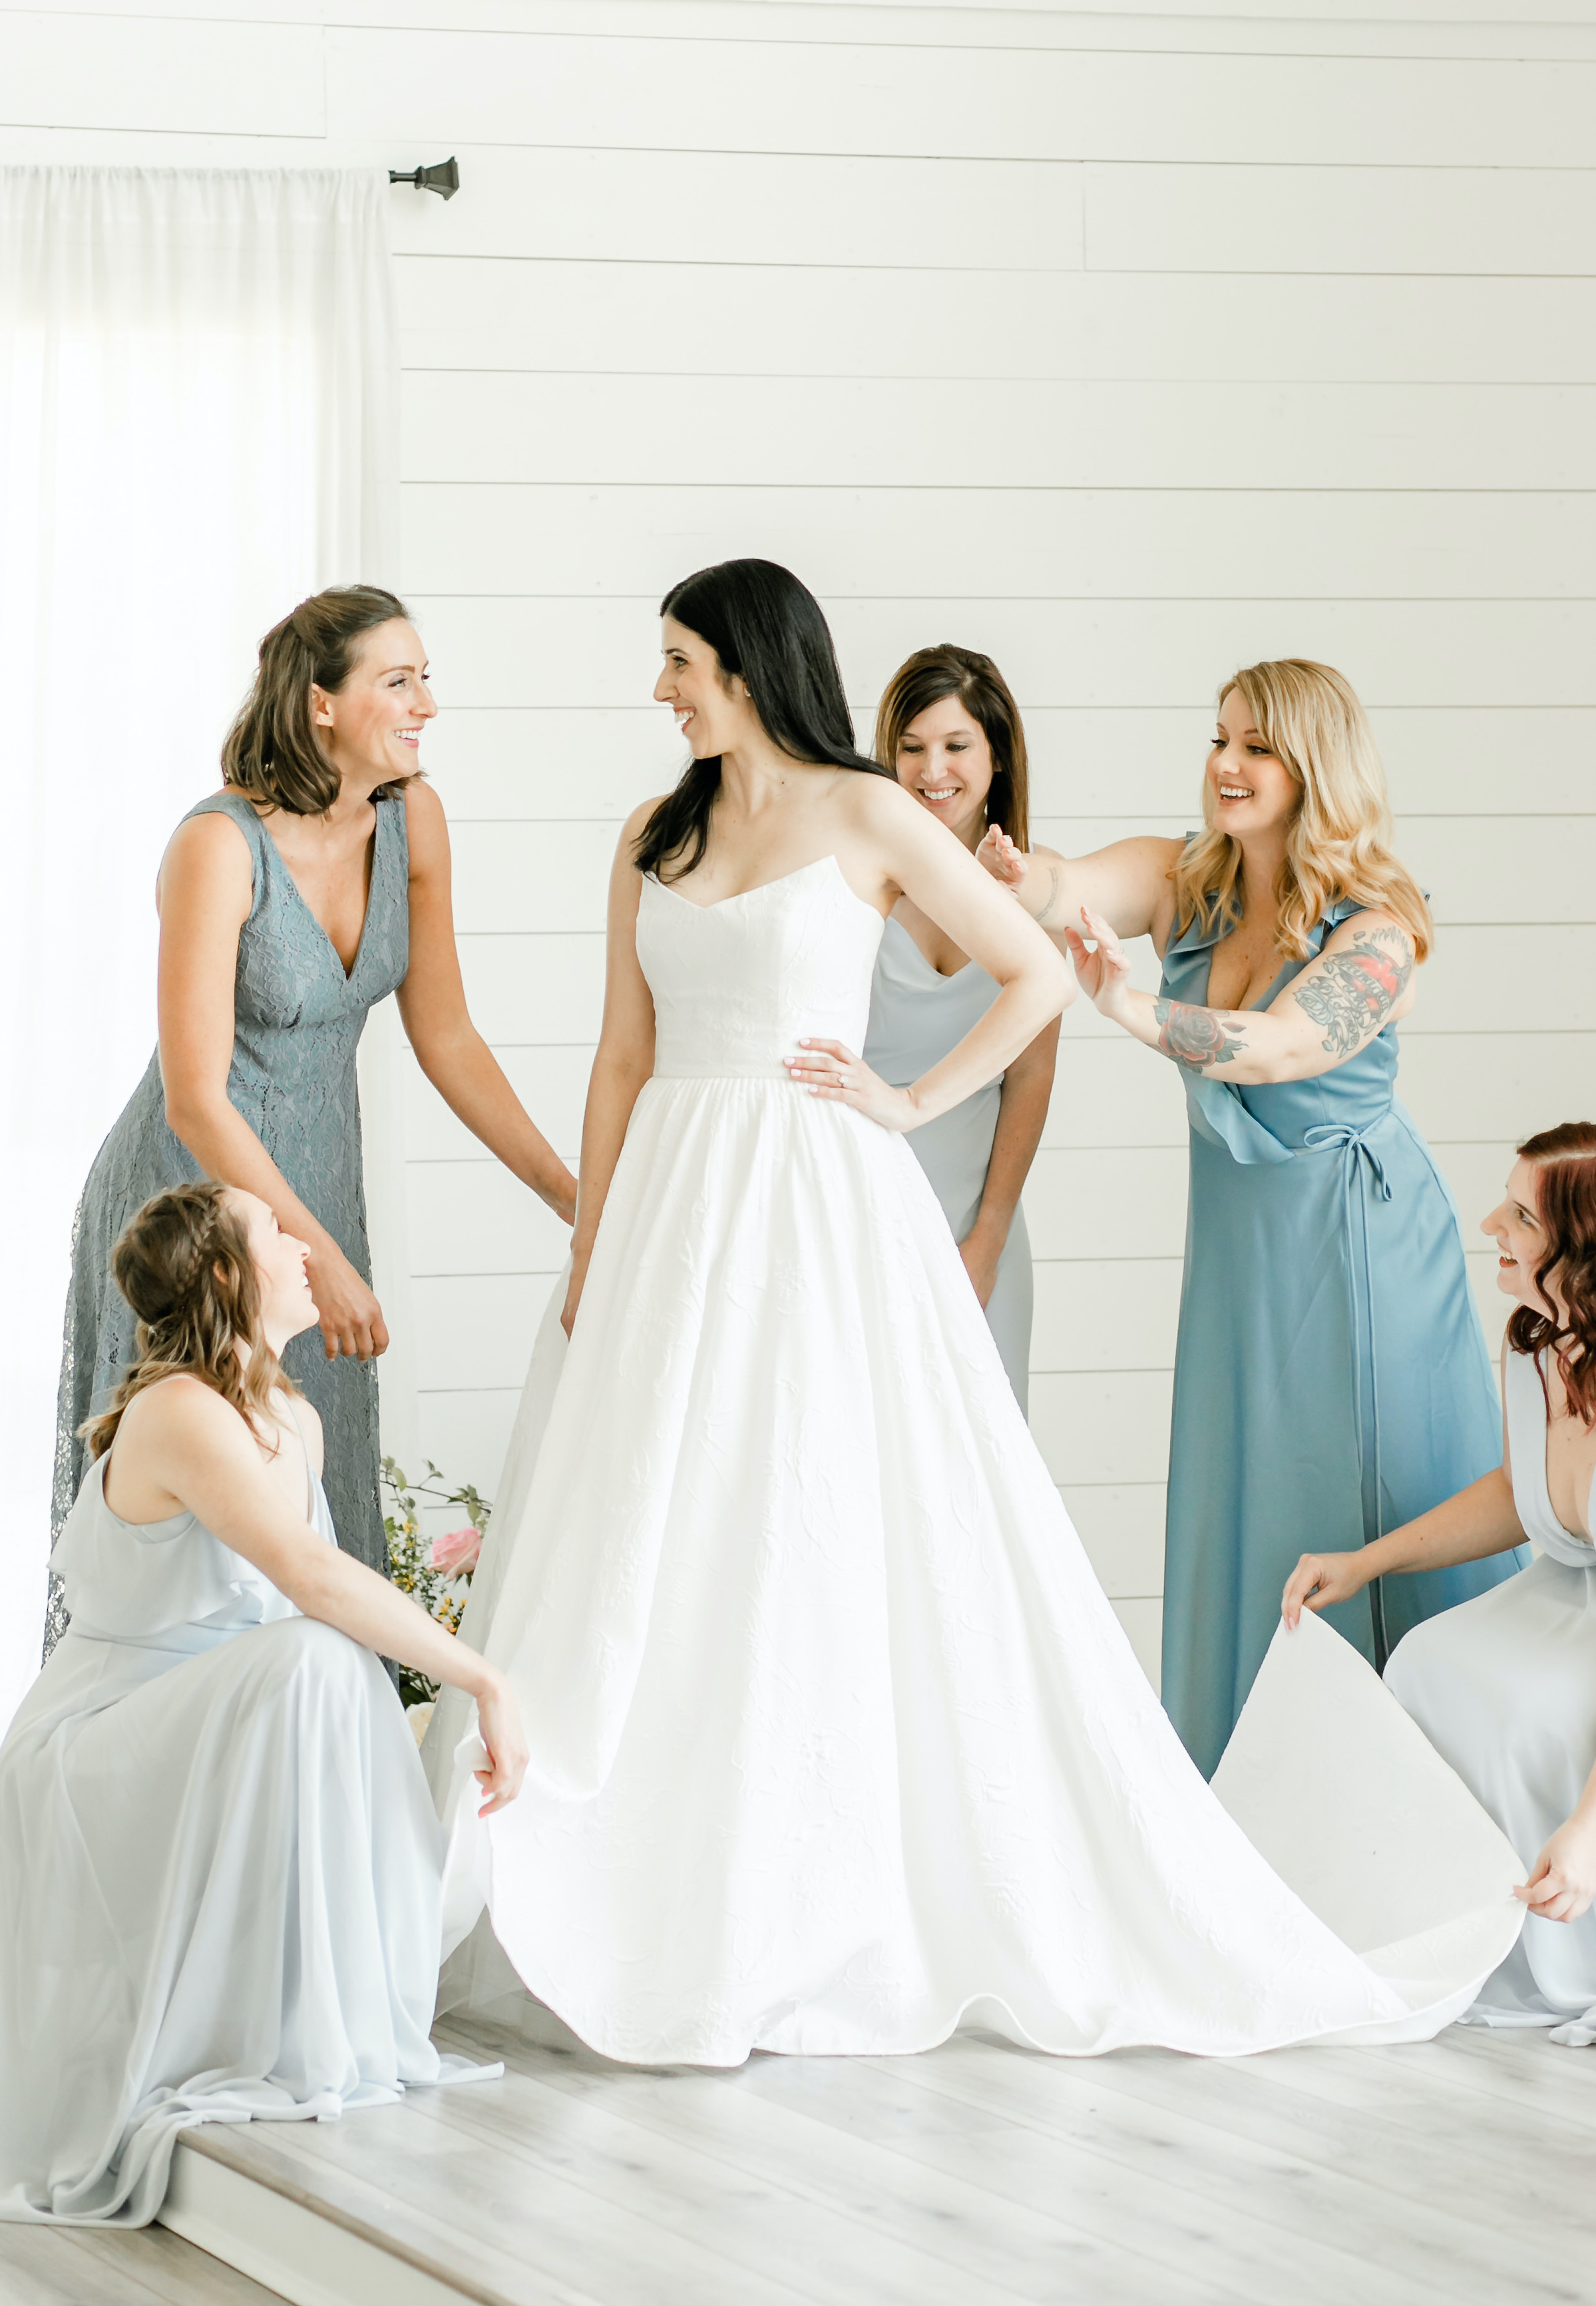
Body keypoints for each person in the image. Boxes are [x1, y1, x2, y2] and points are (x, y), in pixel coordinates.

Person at [431, 563, 1521, 2069]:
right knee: (648, 1519)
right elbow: (622, 1055)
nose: (662, 686)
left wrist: (911, 1099)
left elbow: (1075, 995)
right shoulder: (657, 831)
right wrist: (591, 1235)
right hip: (680, 1196)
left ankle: (820, 1894)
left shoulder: (879, 819)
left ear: (745, 664)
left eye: (679, 658)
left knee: (818, 1513)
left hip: (934, 1203)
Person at [0, 1182, 526, 2223]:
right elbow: (310, 1579)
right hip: (96, 1746)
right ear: (227, 1272)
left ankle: (316, 2013)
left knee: (324, 1663)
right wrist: (485, 1676)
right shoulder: (182, 1409)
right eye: (273, 1228)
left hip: (205, 1722)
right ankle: (299, 2027)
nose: (300, 1238)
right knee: (315, 1655)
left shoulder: (294, 1420)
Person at [978, 660, 1515, 1775]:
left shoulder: (1382, 925)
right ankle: (1258, 1805)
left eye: (1256, 746)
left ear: (1313, 766)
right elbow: (1065, 885)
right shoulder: (1191, 880)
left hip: (1359, 1241)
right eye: (1219, 737)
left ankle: (1410, 1802)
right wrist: (1006, 861)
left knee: (1360, 1487)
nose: (1226, 764)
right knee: (1249, 1498)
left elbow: (1285, 1047)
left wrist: (1130, 1006)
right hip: (1241, 1249)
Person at [51, 586, 576, 1651]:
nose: (427, 701)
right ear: (321, 703)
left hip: (318, 1189)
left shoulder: (412, 817)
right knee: (201, 1498)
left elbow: (451, 1040)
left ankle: (313, 1778)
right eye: (399, 679)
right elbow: (198, 1095)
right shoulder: (218, 843)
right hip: (195, 1201)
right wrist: (317, 1253)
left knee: (309, 1488)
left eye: (426, 676)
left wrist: (577, 1199)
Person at [1284, 1124, 1596, 2049]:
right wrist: (1366, 1562)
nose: (1490, 1225)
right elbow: (1527, 1494)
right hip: (1588, 1591)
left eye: (1520, 1214)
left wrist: (1591, 1826)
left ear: (1591, 1246)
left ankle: (1588, 1924)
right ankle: (1455, 1925)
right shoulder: (1542, 1339)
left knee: (1542, 1709)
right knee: (1430, 1663)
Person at [861, 645, 1058, 1411]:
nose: (931, 769)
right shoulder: (861, 878)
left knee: (982, 1463)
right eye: (910, 748)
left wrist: (989, 1240)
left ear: (998, 756)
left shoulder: (1036, 888)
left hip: (977, 1226)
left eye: (955, 745)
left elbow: (1031, 1076)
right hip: (858, 1208)